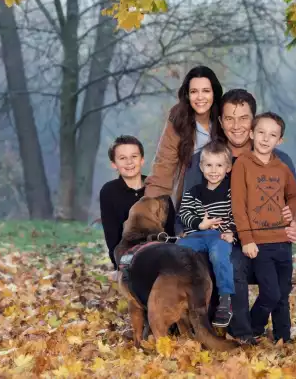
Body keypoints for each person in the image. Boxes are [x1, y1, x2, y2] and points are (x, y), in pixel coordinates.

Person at [182, 88, 296, 345]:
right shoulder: (205, 160)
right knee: (232, 259)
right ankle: (242, 333)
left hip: (270, 239)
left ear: (253, 122)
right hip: (224, 241)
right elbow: (188, 209)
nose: (236, 125)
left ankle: (274, 332)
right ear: (220, 121)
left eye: (243, 118)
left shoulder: (279, 159)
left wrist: (295, 223)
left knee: (276, 284)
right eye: (229, 118)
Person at [231, 112, 296, 344]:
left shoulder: (281, 167)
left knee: (283, 295)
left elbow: (295, 195)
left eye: (272, 135)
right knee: (270, 293)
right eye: (260, 132)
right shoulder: (242, 164)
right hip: (259, 244)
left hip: (283, 241)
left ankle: (284, 338)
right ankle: (252, 327)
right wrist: (246, 238)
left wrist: (290, 210)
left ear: (279, 140)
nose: (265, 138)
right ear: (251, 134)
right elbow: (238, 206)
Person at [144, 66, 226, 212]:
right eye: (194, 91)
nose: (200, 97)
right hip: (189, 199)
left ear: (214, 93)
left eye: (206, 91)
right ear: (187, 95)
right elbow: (164, 165)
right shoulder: (178, 119)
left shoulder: (225, 119)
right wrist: (149, 209)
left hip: (224, 199)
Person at [177, 141, 236, 328]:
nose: (213, 170)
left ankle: (225, 300)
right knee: (178, 251)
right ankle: (180, 293)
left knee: (219, 255)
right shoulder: (194, 192)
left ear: (228, 168)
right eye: (209, 165)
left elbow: (238, 213)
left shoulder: (230, 192)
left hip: (219, 237)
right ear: (202, 167)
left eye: (219, 165)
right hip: (197, 235)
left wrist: (230, 231)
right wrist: (199, 224)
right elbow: (184, 213)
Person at [99, 135, 176, 271]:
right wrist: (118, 267)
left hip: (160, 250)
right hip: (129, 254)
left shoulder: (157, 188)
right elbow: (112, 235)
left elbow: (171, 228)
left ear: (142, 160)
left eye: (134, 156)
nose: (129, 162)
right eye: (122, 158)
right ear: (114, 164)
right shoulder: (109, 191)